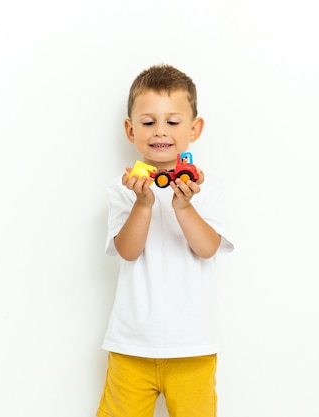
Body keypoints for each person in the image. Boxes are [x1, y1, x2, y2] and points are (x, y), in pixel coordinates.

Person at [97, 64, 234, 417]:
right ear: (130, 130)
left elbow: (207, 248)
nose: (160, 131)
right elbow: (128, 252)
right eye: (148, 123)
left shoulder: (208, 188)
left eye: (172, 122)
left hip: (193, 345)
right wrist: (143, 204)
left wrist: (184, 206)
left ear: (194, 128)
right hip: (131, 344)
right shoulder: (123, 188)